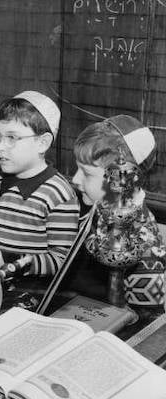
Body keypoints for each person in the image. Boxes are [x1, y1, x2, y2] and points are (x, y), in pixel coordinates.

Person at [0, 91, 80, 278]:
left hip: (30, 295)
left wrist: (7, 263)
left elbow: (61, 260)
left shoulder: (59, 194)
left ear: (42, 143)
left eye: (11, 138)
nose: (0, 146)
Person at [67, 115, 165, 309]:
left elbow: (145, 327)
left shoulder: (146, 250)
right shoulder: (94, 207)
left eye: (86, 173)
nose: (75, 179)